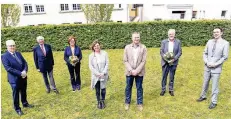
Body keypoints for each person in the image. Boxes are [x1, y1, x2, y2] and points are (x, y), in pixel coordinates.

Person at [196, 28, 230, 109]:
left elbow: (225, 57)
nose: (215, 33)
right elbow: (205, 53)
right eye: (214, 32)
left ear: (221, 33)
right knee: (205, 83)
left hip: (216, 68)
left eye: (217, 32)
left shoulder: (225, 43)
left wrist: (215, 64)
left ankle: (214, 102)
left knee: (214, 85)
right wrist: (206, 62)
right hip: (207, 66)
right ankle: (203, 96)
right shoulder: (209, 41)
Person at [1, 40, 33, 116]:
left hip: (23, 76)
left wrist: (25, 70)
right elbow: (8, 68)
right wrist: (20, 73)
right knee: (16, 95)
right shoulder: (4, 56)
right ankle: (17, 109)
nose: (12, 47)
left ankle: (25, 103)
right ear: (7, 47)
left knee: (24, 91)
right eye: (10, 46)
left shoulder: (18, 53)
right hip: (14, 79)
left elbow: (25, 63)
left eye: (13, 45)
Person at [123, 32, 147, 111]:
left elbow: (143, 61)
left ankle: (139, 103)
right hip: (129, 72)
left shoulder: (143, 47)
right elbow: (125, 60)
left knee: (139, 88)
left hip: (139, 72)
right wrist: (131, 70)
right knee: (128, 87)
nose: (137, 39)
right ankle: (127, 102)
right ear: (132, 38)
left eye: (138, 37)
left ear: (140, 38)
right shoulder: (127, 47)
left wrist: (137, 70)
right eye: (135, 37)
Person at [160, 29, 182, 96]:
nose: (171, 35)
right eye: (170, 34)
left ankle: (171, 89)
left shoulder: (178, 42)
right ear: (168, 35)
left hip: (173, 62)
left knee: (172, 76)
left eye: (172, 34)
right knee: (164, 76)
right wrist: (166, 58)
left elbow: (180, 52)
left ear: (174, 34)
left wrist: (174, 59)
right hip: (165, 62)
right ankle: (163, 89)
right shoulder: (164, 42)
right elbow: (161, 51)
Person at [89, 40, 109, 109]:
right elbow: (91, 66)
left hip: (103, 75)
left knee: (103, 89)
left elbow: (107, 64)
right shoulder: (91, 56)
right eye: (95, 46)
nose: (97, 47)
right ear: (93, 47)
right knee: (97, 90)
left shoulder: (105, 53)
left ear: (100, 46)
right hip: (96, 76)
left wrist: (103, 73)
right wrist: (97, 74)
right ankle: (98, 101)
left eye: (98, 45)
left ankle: (103, 100)